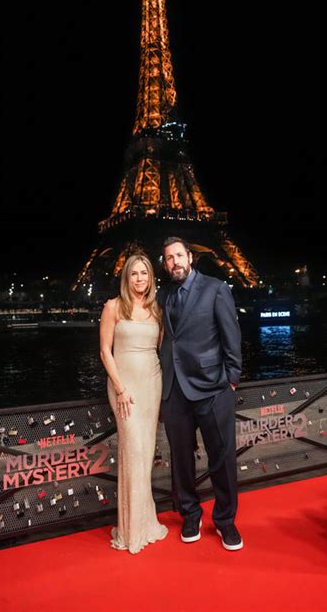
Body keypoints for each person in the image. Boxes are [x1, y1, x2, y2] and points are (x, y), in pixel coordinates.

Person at [158, 236, 243, 551]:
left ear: (190, 257)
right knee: (181, 461)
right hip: (175, 390)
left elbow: (231, 336)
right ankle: (190, 514)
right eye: (169, 258)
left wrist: (231, 380)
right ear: (165, 264)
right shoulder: (163, 294)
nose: (175, 262)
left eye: (179, 255)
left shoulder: (215, 288)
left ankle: (225, 521)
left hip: (212, 389)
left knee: (221, 458)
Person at [99, 253, 168, 554]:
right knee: (133, 451)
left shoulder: (157, 310)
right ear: (126, 278)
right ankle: (130, 529)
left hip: (151, 385)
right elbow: (105, 351)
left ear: (151, 277)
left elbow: (159, 349)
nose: (139, 279)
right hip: (124, 388)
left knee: (144, 454)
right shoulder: (113, 307)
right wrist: (120, 387)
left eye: (144, 273)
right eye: (134, 274)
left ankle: (144, 521)